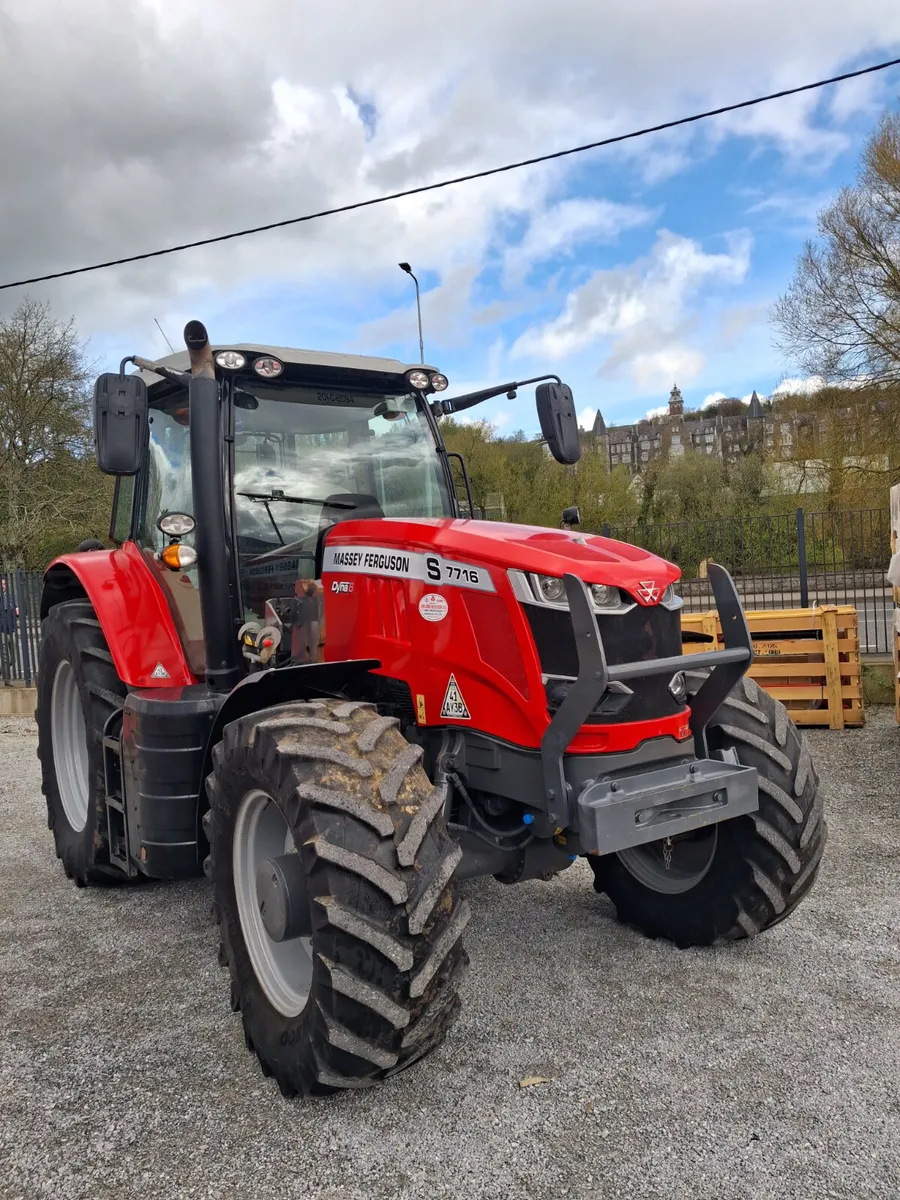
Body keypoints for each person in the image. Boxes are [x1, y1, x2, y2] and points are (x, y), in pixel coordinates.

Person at [0, 578, 19, 685]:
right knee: (5, 657)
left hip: (11, 629)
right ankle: (7, 681)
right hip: (2, 630)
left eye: (4, 584)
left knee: (13, 658)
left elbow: (16, 609)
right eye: (1, 584)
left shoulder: (10, 597)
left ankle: (2, 670)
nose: (3, 586)